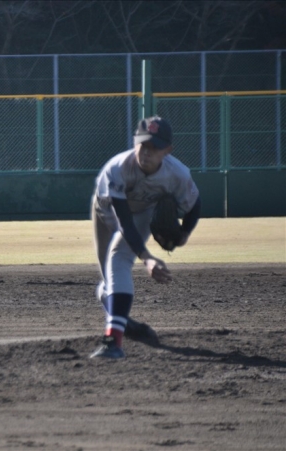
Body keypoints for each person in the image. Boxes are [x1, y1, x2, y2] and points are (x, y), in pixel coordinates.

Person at [90, 116, 201, 359]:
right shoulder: (118, 168)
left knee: (118, 258)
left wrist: (184, 233)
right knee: (108, 283)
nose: (147, 152)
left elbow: (194, 205)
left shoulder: (177, 174)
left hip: (142, 212)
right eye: (143, 145)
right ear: (134, 142)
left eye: (155, 147)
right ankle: (125, 323)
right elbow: (123, 222)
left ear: (167, 150)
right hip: (105, 212)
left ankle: (112, 342)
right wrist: (147, 258)